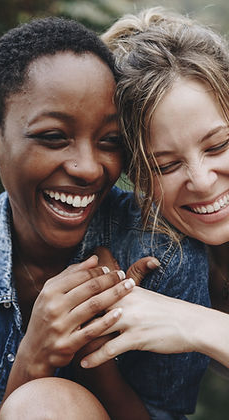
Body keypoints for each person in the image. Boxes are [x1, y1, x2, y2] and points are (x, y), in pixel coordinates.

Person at [0, 14, 209, 420]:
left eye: (110, 141)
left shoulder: (164, 254)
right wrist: (33, 358)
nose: (89, 168)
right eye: (54, 137)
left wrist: (97, 354)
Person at [78, 7, 229, 378]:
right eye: (165, 165)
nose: (203, 181)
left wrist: (195, 325)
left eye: (219, 146)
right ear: (135, 177)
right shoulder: (149, 246)